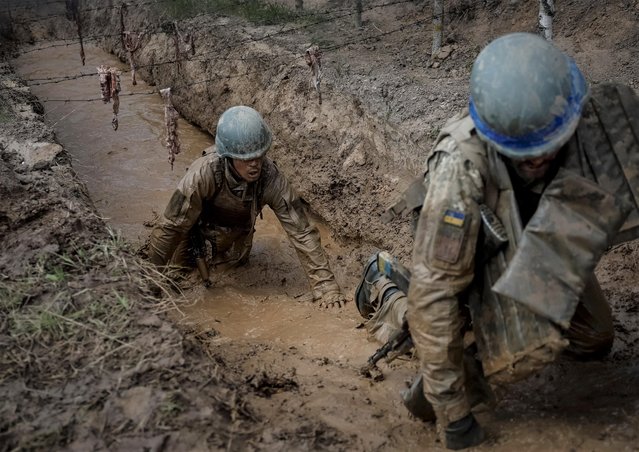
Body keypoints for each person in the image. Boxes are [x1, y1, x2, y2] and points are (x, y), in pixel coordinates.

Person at [355, 32, 639, 449]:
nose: (541, 159)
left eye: (550, 145)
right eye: (528, 153)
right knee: (464, 335)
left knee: (594, 337)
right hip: (474, 251)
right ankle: (383, 282)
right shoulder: (459, 173)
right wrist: (453, 417)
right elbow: (435, 297)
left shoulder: (571, 110)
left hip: (539, 239)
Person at [148, 105, 347, 308]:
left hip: (235, 240)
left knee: (230, 276)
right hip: (191, 237)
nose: (255, 164)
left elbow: (301, 231)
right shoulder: (201, 175)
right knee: (177, 274)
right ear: (229, 157)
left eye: (259, 156)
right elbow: (170, 227)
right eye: (246, 158)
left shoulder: (271, 179)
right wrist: (149, 283)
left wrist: (326, 286)